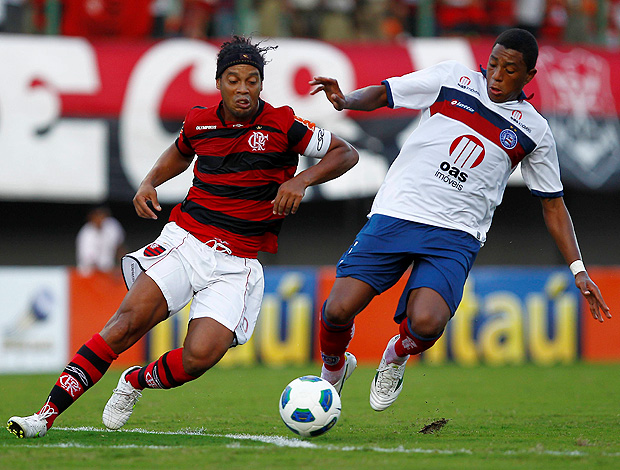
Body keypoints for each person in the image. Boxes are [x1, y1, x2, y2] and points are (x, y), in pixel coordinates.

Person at [6, 35, 359, 438]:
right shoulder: (199, 121)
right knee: (123, 326)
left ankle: (134, 382)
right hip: (186, 241)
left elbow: (345, 153)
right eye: (233, 80)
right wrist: (149, 181)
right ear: (218, 83)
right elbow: (180, 150)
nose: (243, 89)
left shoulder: (284, 123)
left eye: (251, 80)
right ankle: (42, 417)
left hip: (237, 263)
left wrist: (302, 180)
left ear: (261, 84)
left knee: (199, 357)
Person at [309, 28, 611, 411]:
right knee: (336, 310)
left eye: (510, 70)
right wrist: (345, 99)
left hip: (456, 234)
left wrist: (578, 269)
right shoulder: (454, 78)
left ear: (529, 76)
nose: (497, 76)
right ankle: (334, 370)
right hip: (398, 213)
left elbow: (553, 205)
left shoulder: (534, 130)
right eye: (494, 64)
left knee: (427, 323)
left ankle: (396, 355)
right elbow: (386, 92)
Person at [76, 206, 126, 276]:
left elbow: (119, 248)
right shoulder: (86, 233)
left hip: (108, 271)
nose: (100, 219)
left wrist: (124, 267)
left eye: (102, 215)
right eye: (97, 216)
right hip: (90, 274)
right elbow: (90, 260)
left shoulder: (112, 226)